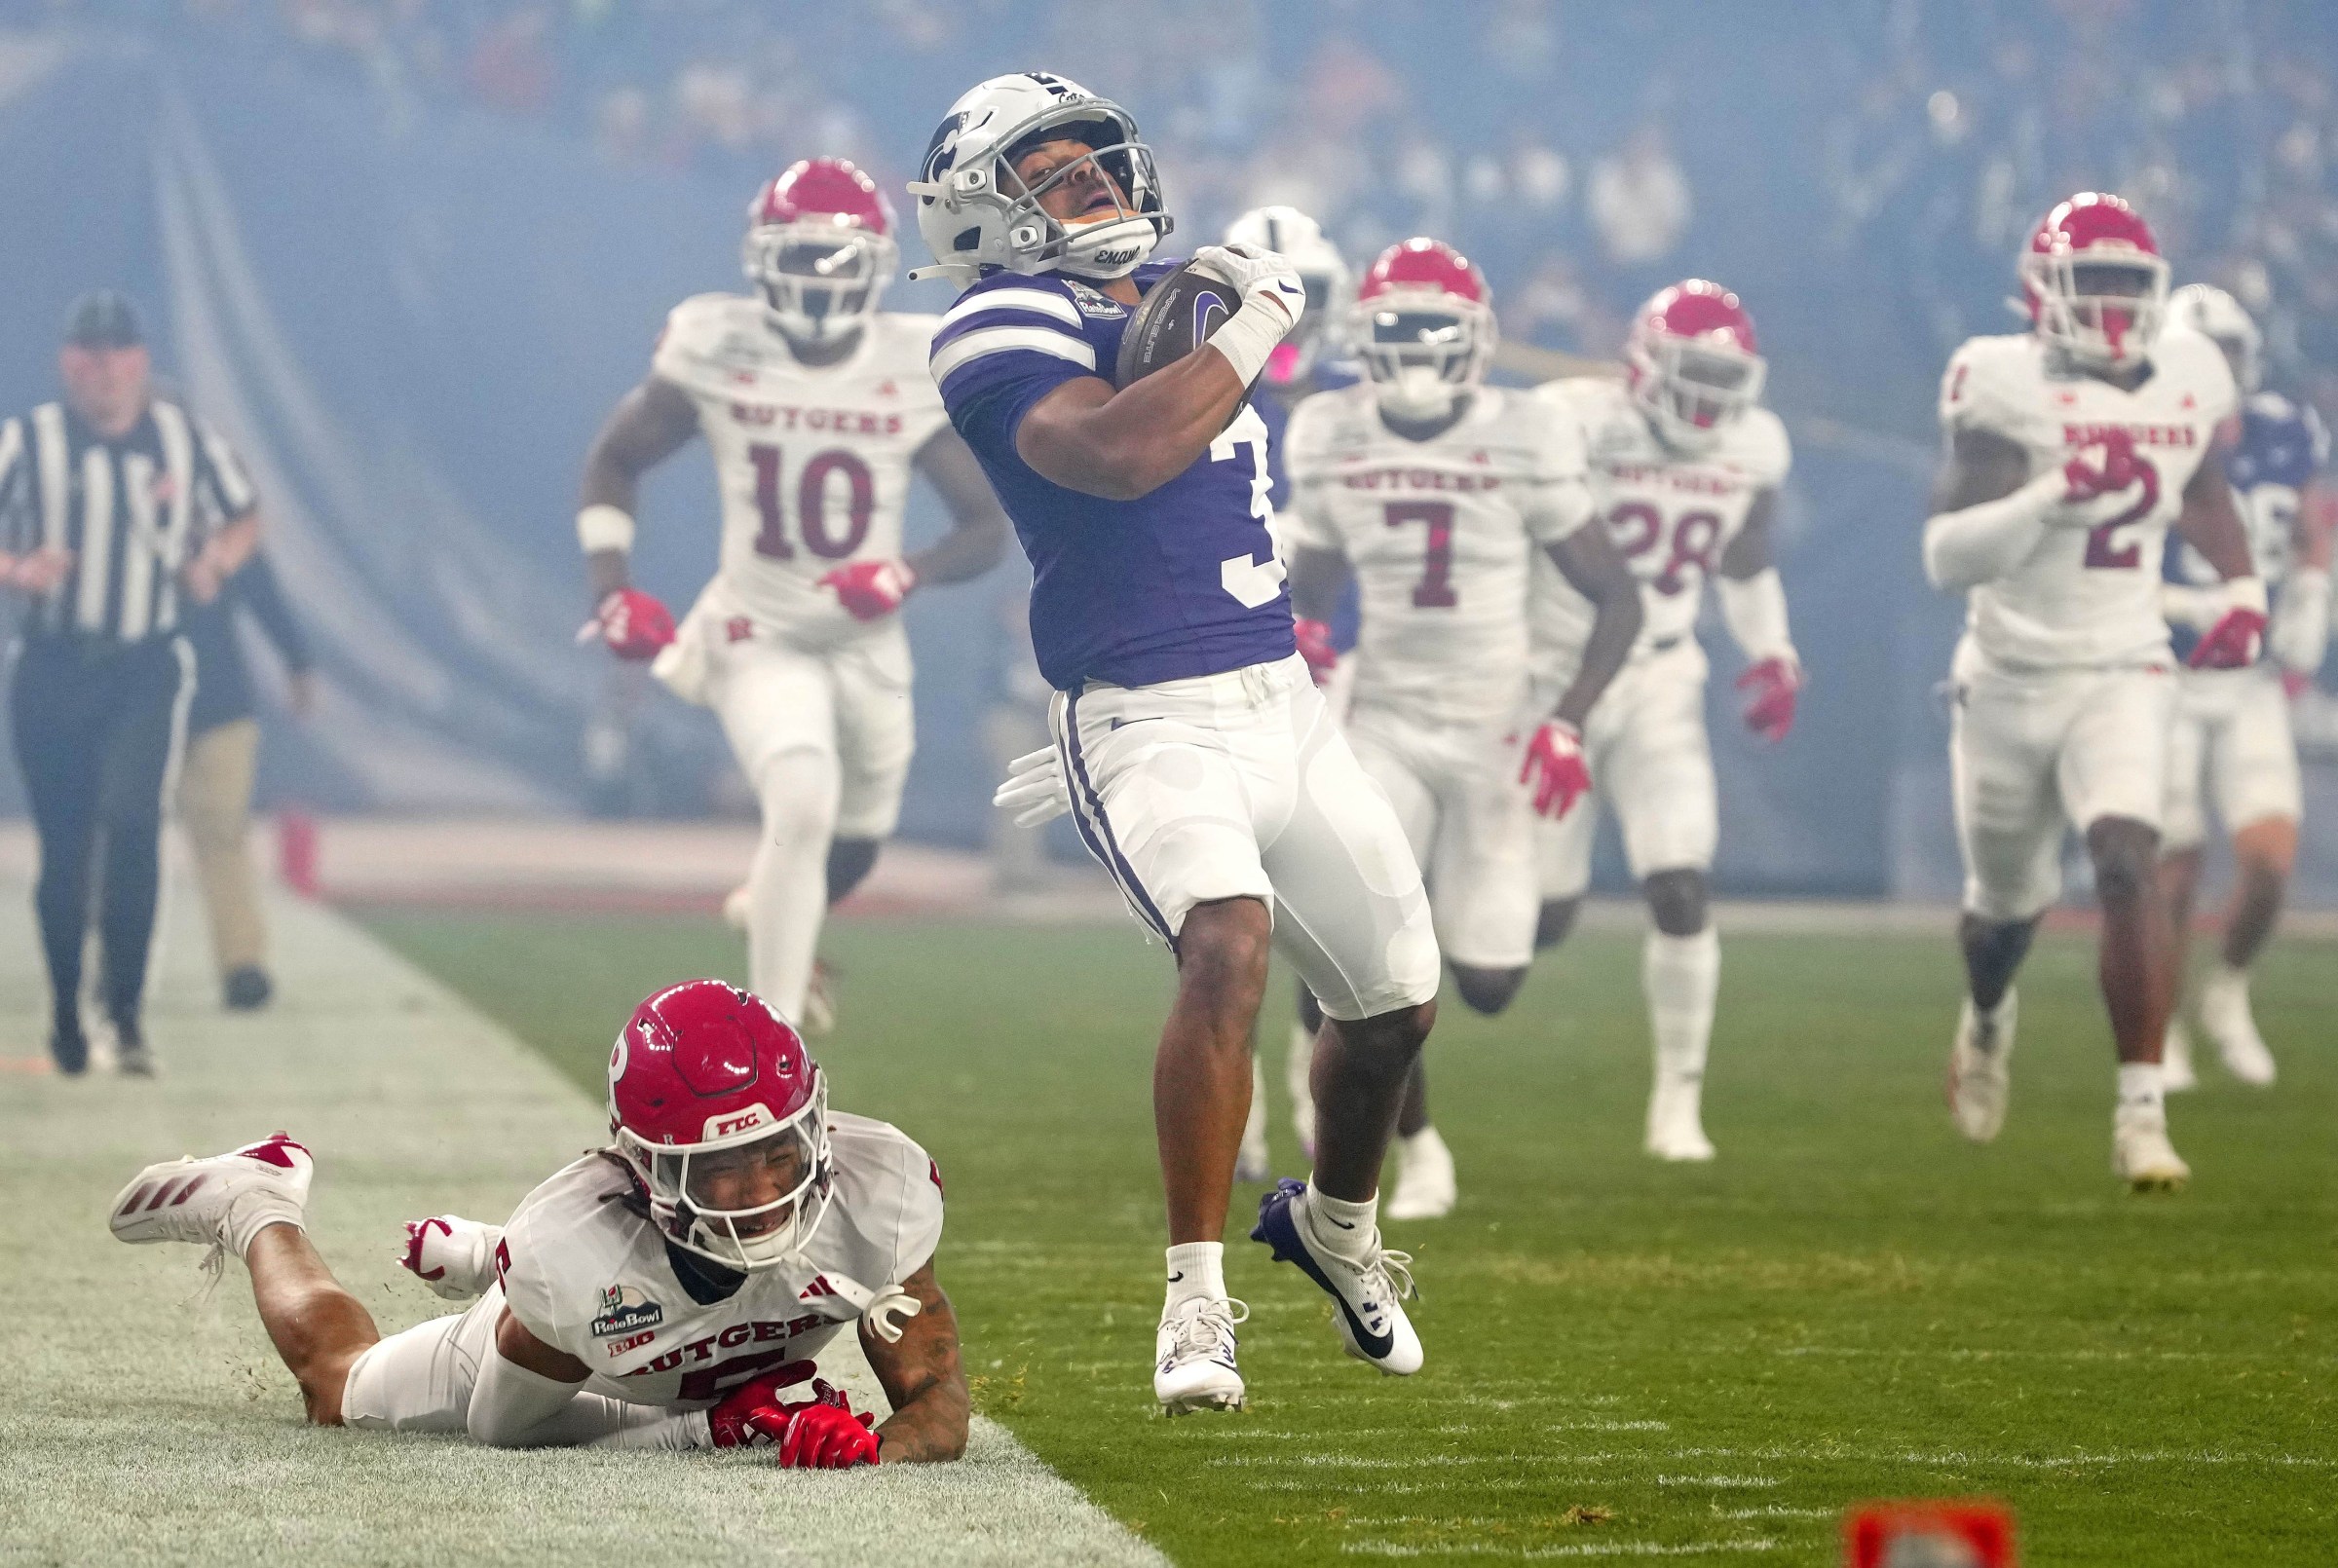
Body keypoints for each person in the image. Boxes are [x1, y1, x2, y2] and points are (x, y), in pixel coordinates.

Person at [918, 71, 1438, 1414]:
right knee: (1229, 936)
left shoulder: (1173, 299)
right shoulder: (996, 321)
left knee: (1394, 1010)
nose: (1091, 175)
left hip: (1282, 699)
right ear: (983, 204)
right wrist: (1258, 317)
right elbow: (1122, 452)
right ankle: (1195, 1298)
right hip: (1144, 715)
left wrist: (1280, 317)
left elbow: (1227, 401)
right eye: (1053, 163)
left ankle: (1331, 1225)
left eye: (1100, 155)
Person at [107, 979, 967, 1467]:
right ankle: (254, 1202)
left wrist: (868, 1449)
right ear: (647, 1169)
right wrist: (699, 1429)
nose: (763, 1191)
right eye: (723, 1167)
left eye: (779, 1152)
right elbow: (505, 1429)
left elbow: (938, 1410)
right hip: (559, 1363)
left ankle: (486, 1253)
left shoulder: (876, 1189)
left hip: (606, 1316)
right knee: (335, 1386)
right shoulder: (579, 1264)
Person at [577, 158, 1009, 1032]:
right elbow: (614, 459)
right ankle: (772, 1041)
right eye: (797, 256)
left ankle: (765, 906)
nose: (813, 277)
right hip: (757, 627)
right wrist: (613, 590)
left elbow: (984, 527)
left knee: (853, 843)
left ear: (874, 267)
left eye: (832, 259)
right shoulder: (718, 342)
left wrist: (905, 571)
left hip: (867, 642)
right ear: (760, 258)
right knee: (802, 801)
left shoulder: (910, 360)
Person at [1282, 238, 1642, 1218]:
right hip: (1384, 718)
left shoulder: (1524, 433)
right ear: (1366, 333)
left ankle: (1381, 983)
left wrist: (1568, 721)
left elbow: (1616, 596)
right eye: (1396, 328)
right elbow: (1313, 581)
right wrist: (1298, 628)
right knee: (1365, 940)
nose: (1414, 350)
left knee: (1485, 979)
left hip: (1495, 729)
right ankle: (1420, 1145)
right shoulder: (1331, 429)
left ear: (1477, 341)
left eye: (1435, 329)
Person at [1921, 194, 2263, 1191]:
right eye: (2093, 279)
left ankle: (2140, 1114)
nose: (2112, 300)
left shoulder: (2192, 374)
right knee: (2003, 916)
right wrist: (2050, 492)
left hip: (2125, 661)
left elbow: (2201, 491)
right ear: (2042, 293)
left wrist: (2239, 585)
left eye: (2127, 281)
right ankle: (1987, 1016)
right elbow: (1946, 557)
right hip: (2011, 675)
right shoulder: (2001, 383)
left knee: (2128, 856)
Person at [1528, 280, 1803, 1163]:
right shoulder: (1573, 419)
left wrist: (1773, 650)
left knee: (1681, 883)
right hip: (1552, 674)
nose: (1708, 398)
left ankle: (1678, 1104)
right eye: (1692, 372)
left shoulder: (1755, 446)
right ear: (1643, 367)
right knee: (1540, 920)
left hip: (1663, 680)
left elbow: (1747, 559)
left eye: (1724, 377)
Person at [0, 291, 263, 1076]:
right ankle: (65, 1018)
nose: (105, 372)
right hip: (52, 666)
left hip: (144, 664)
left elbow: (244, 513)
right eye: (90, 356)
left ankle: (125, 1014)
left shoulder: (182, 440)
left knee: (132, 823)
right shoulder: (31, 442)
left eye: (119, 356)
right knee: (67, 847)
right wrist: (17, 570)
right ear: (68, 363)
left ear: (141, 364)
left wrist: (213, 562)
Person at [2156, 283, 2331, 1091]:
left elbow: (2310, 530)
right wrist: (2206, 603)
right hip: (2162, 674)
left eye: (2228, 355)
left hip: (2250, 677)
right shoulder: (2146, 432)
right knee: (2174, 868)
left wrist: (2312, 595)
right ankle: (2157, 1027)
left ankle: (2227, 992)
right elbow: (2110, 570)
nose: (2218, 371)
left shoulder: (2284, 430)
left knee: (2268, 860)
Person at [1221, 203, 1359, 1183]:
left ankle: (1314, 1089)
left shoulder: (1355, 400)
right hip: (1218, 660)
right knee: (1226, 898)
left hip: (1334, 668)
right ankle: (1244, 1101)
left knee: (1319, 891)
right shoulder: (1190, 384)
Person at [177, 548, 315, 1011]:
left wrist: (298, 661)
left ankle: (241, 964)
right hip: (137, 708)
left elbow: (263, 593)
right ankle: (110, 965)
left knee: (223, 832)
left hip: (221, 706)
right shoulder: (116, 513)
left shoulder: (224, 526)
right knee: (121, 834)